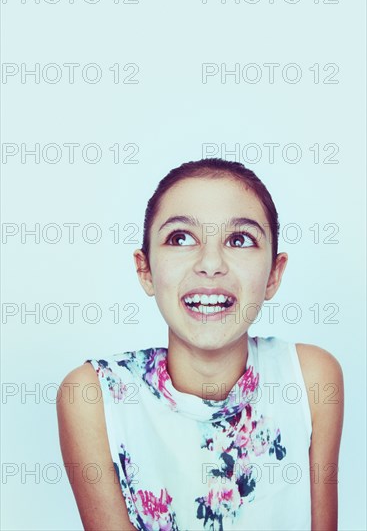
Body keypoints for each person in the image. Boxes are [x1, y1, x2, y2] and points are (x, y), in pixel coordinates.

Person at [57, 158, 344, 531]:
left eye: (239, 240)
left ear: (273, 274)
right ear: (145, 270)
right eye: (181, 238)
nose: (210, 264)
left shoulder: (310, 379)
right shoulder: (93, 397)